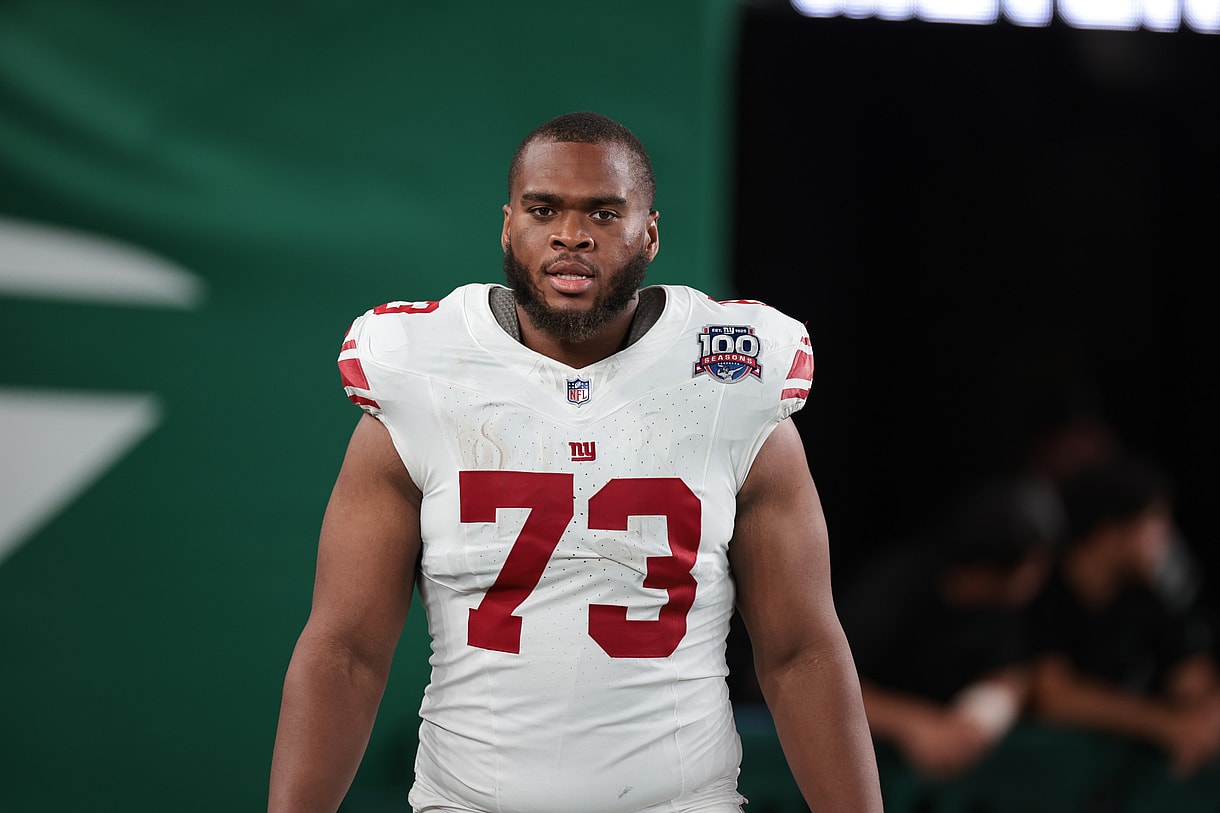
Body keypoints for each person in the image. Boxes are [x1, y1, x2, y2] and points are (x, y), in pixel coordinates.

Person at [268, 111, 883, 813]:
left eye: (603, 211)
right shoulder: (423, 378)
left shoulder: (731, 386)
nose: (571, 234)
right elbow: (346, 651)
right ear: (508, 226)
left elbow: (801, 652)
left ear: (649, 231)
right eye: (543, 209)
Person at [837, 481, 1051, 811]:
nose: (1040, 576)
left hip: (930, 786)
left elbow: (1011, 674)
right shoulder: (895, 588)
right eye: (1035, 563)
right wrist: (913, 725)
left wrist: (978, 719)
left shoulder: (1002, 610)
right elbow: (823, 683)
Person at [1026, 455, 1220, 809]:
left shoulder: (1144, 594)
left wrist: (1202, 719)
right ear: (1109, 533)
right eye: (1156, 520)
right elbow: (1054, 695)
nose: (1166, 536)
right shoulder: (1041, 590)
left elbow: (1191, 675)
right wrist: (1166, 726)